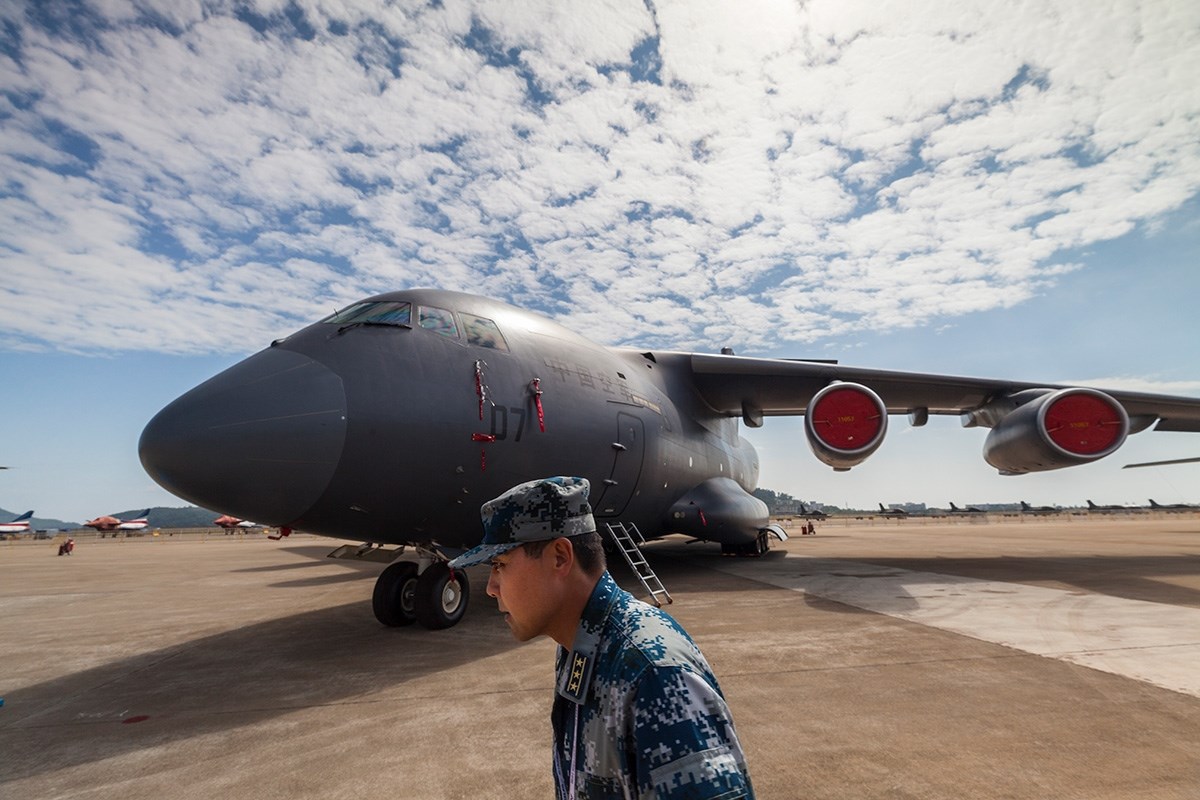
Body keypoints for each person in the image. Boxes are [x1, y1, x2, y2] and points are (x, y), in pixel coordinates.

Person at [449, 476, 754, 799]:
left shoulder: (653, 675)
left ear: (560, 558)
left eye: (500, 564)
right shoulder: (580, 644)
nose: (491, 587)